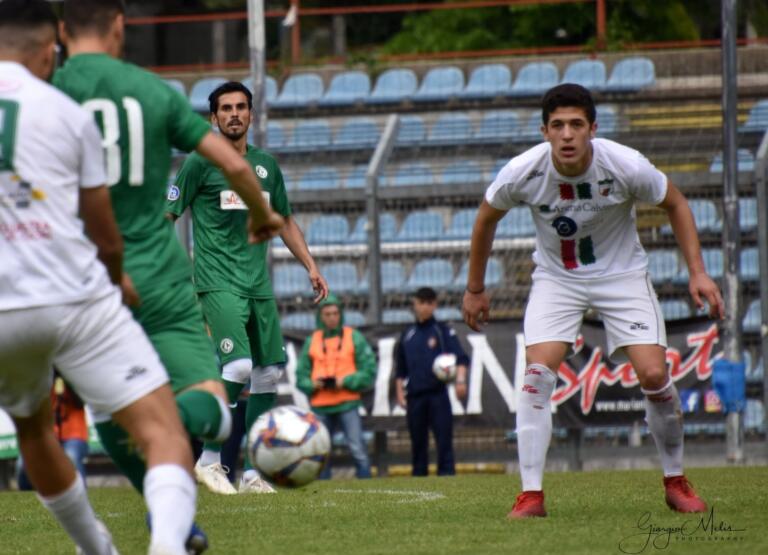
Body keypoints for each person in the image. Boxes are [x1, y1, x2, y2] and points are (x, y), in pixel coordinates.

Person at [54, 0, 283, 520]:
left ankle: (127, 520)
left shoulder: (49, 93)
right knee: (213, 400)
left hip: (78, 273)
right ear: (119, 25)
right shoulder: (154, 92)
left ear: (62, 32)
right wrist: (261, 216)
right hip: (162, 277)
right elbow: (231, 164)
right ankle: (184, 483)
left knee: (95, 411)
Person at [462, 83, 725, 519]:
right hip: (557, 279)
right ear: (544, 131)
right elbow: (486, 218)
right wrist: (474, 288)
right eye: (558, 126)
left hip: (622, 277)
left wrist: (697, 270)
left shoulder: (624, 164)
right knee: (536, 374)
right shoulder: (522, 171)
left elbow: (676, 204)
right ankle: (531, 496)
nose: (567, 135)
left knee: (655, 374)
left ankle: (675, 481)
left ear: (592, 129)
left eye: (577, 125)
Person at [0, 2, 199, 553]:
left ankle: (97, 549)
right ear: (48, 50)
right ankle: (166, 546)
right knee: (162, 432)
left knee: (34, 430)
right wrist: (117, 282)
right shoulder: (64, 110)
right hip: (70, 295)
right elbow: (106, 234)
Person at [167, 81, 329, 494]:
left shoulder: (266, 166)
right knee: (237, 367)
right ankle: (207, 460)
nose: (234, 114)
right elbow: (166, 215)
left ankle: (256, 472)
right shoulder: (199, 163)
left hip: (258, 285)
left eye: (241, 107)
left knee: (268, 375)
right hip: (217, 283)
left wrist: (310, 265)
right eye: (226, 108)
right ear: (214, 118)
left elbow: (286, 221)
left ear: (251, 115)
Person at [295, 294, 377, 479]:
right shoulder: (312, 340)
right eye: (327, 314)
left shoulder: (353, 337)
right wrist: (312, 384)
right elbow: (301, 376)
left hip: (348, 402)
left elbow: (369, 370)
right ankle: (322, 492)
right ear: (320, 316)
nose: (332, 317)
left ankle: (368, 487)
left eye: (335, 313)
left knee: (358, 449)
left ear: (340, 314)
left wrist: (346, 381)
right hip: (320, 405)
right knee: (321, 453)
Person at [395, 287, 469, 477]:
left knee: (444, 441)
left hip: (438, 395)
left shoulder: (442, 331)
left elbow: (461, 358)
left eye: (430, 303)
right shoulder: (407, 334)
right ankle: (419, 479)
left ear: (435, 305)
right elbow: (400, 369)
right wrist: (399, 393)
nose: (425, 307)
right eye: (421, 302)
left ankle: (447, 477)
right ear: (415, 304)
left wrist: (460, 380)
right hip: (415, 397)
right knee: (418, 444)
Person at [17, 373, 90, 490]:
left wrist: (65, 378)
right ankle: (27, 502)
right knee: (22, 465)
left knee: (72, 457)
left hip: (74, 433)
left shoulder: (73, 372)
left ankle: (81, 499)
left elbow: (82, 401)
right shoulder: (39, 373)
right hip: (44, 432)